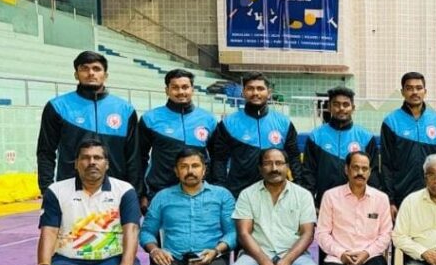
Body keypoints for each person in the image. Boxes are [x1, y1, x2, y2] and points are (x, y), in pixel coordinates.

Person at [36, 51, 140, 194]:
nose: (91, 73)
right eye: (84, 68)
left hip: (115, 191)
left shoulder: (125, 110)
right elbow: (45, 151)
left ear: (105, 75)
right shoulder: (57, 107)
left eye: (96, 69)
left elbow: (133, 157)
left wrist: (134, 192)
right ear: (76, 74)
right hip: (70, 190)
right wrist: (46, 189)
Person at [138, 69, 218, 212]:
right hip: (160, 191)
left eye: (185, 87)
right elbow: (140, 158)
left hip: (198, 193)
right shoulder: (150, 119)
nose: (181, 92)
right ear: (167, 90)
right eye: (175, 87)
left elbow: (216, 159)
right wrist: (142, 192)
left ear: (192, 90)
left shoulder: (209, 120)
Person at [212, 73, 303, 198]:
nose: (255, 93)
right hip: (239, 193)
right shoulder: (228, 123)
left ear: (269, 93)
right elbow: (219, 160)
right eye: (250, 88)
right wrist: (220, 190)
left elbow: (294, 157)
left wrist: (298, 184)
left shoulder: (284, 123)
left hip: (276, 192)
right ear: (243, 92)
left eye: (260, 89)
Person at [301, 86, 379, 205]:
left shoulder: (366, 137)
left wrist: (371, 203)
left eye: (346, 104)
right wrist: (310, 204)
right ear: (329, 107)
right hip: (324, 203)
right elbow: (309, 173)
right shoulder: (316, 136)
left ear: (353, 108)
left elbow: (373, 175)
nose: (341, 108)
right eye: (336, 104)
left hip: (357, 204)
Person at [380, 72, 436, 217]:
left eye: (419, 88)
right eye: (409, 88)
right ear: (402, 92)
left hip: (433, 194)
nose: (414, 92)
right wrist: (390, 200)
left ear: (425, 91)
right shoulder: (391, 121)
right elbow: (386, 164)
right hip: (402, 195)